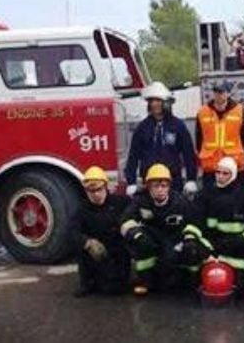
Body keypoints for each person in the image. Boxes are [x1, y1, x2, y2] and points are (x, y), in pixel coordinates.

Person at [119, 163, 211, 296]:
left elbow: (195, 221)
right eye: (156, 186)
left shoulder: (180, 202)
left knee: (191, 250)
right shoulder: (140, 201)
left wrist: (190, 238)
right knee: (140, 245)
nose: (160, 190)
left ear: (169, 186)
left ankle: (191, 281)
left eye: (164, 186)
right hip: (152, 239)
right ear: (148, 186)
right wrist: (137, 235)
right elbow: (125, 220)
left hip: (175, 239)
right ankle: (145, 281)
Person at [196, 156, 244, 292]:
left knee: (239, 290)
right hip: (211, 251)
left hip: (237, 252)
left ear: (233, 175)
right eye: (218, 172)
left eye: (225, 173)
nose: (220, 176)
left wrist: (242, 241)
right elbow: (197, 225)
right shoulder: (205, 195)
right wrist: (206, 249)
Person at [124, 81, 198, 197]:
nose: (154, 104)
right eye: (151, 101)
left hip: (173, 182)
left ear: (166, 102)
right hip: (148, 182)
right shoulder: (142, 127)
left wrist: (191, 179)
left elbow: (188, 154)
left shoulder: (178, 126)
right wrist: (131, 182)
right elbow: (133, 156)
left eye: (158, 101)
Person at [70, 166, 132, 297]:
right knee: (81, 248)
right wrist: (87, 242)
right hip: (95, 252)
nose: (96, 194)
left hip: (116, 250)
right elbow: (72, 232)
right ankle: (86, 283)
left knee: (113, 290)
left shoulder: (121, 202)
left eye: (99, 189)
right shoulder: (82, 209)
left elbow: (138, 208)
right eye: (91, 191)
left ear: (106, 187)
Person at [195, 80, 244, 188]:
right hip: (211, 167)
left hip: (233, 165)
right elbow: (199, 139)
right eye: (215, 91)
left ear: (228, 93)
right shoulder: (202, 112)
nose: (218, 95)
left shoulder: (239, 111)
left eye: (221, 92)